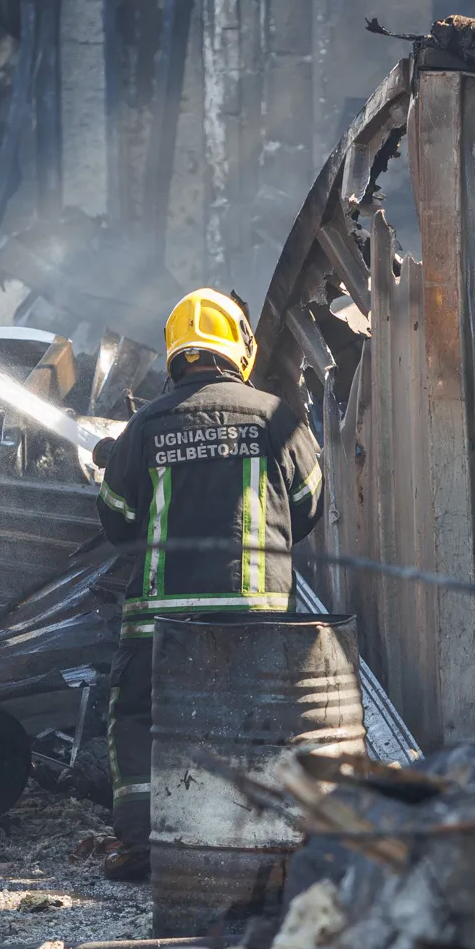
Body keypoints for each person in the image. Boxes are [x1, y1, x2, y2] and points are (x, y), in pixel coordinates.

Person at [91, 288, 324, 881]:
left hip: (160, 620)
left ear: (177, 352)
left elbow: (116, 520)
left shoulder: (143, 427)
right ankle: (264, 842)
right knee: (262, 720)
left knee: (141, 715)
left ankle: (146, 844)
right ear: (238, 347)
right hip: (258, 613)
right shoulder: (278, 417)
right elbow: (309, 504)